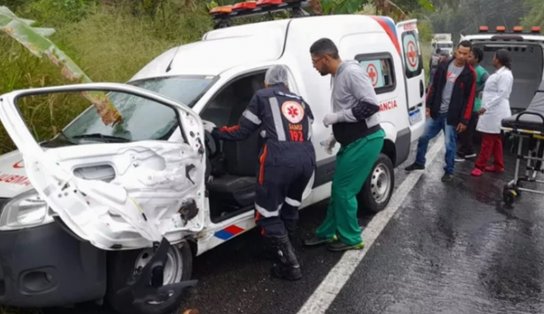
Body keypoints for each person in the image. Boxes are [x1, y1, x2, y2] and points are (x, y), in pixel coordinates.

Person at [205, 65, 315, 281]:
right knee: (291, 205)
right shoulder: (301, 102)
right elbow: (308, 130)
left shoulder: (262, 96)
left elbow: (242, 131)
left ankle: (290, 264)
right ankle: (283, 249)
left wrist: (214, 131)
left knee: (267, 213)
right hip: (306, 160)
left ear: (267, 82)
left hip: (278, 161)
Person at [304, 38, 385, 251]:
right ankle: (328, 232)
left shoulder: (351, 73)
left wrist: (339, 117)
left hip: (365, 140)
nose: (313, 65)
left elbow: (371, 106)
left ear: (326, 58)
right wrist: (334, 135)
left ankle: (352, 238)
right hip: (352, 141)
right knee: (338, 189)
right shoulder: (337, 75)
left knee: (344, 191)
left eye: (315, 61)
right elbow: (350, 105)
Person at [405, 40, 476, 182]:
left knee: (450, 145)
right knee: (423, 137)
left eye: (465, 54)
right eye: (460, 52)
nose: (462, 56)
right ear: (456, 51)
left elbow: (470, 99)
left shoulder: (470, 74)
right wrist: (428, 105)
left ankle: (449, 171)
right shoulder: (444, 65)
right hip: (437, 112)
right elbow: (434, 86)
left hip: (453, 116)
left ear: (469, 55)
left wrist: (464, 120)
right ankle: (419, 162)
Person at [470, 49, 513, 176]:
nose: (492, 59)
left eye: (494, 57)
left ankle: (480, 166)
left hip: (495, 112)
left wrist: (486, 107)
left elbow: (501, 94)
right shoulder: (500, 73)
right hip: (493, 110)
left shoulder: (505, 75)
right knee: (496, 140)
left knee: (487, 141)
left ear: (499, 59)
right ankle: (498, 165)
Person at [456, 47, 489, 161]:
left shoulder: (480, 71)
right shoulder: (467, 69)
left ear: (477, 59)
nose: (467, 58)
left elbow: (488, 81)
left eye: (470, 56)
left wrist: (477, 89)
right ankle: (467, 150)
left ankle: (465, 151)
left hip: (474, 105)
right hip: (465, 104)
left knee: (467, 131)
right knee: (465, 130)